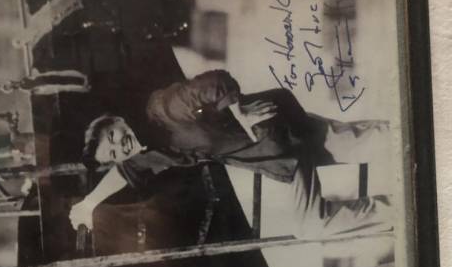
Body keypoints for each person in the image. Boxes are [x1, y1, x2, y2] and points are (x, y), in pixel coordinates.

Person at [70, 69, 392, 239]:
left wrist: (240, 114)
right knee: (373, 140)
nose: (121, 145)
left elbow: (216, 82)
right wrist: (88, 203)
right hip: (284, 138)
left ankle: (398, 210)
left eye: (114, 135)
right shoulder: (155, 152)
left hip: (279, 138)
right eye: (114, 152)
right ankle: (402, 204)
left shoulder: (162, 108)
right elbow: (126, 173)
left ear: (118, 120)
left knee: (312, 224)